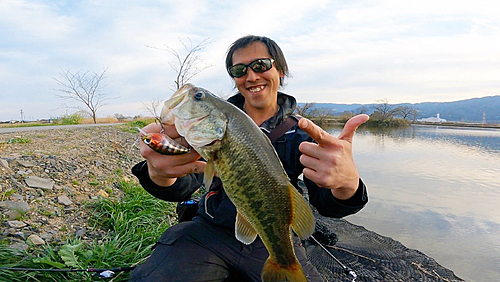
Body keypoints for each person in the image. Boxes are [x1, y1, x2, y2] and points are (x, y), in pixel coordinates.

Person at [130, 35, 369, 282]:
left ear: (280, 70)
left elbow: (327, 204)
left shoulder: (303, 133)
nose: (251, 76)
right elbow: (181, 188)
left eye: (261, 65)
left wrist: (347, 185)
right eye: (239, 70)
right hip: (208, 232)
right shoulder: (203, 130)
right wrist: (159, 174)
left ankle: (283, 262)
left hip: (272, 240)